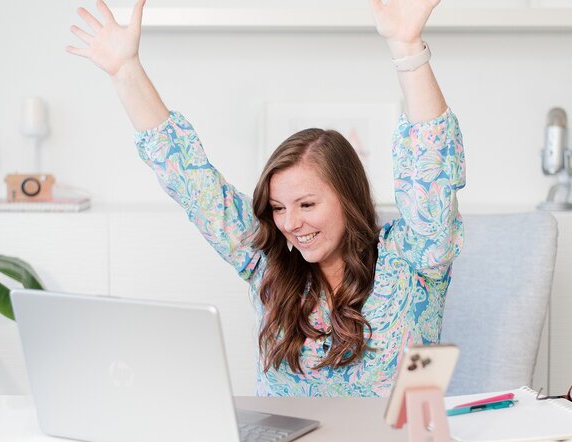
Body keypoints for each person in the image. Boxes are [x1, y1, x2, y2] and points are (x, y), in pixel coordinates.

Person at [67, 0, 465, 397]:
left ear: (348, 199)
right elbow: (190, 180)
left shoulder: (414, 260)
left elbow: (430, 168)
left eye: (307, 204)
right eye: (278, 208)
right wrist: (125, 71)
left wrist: (407, 47)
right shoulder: (269, 263)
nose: (291, 223)